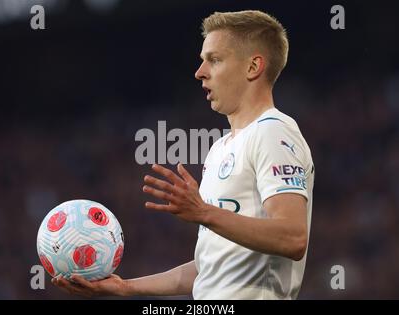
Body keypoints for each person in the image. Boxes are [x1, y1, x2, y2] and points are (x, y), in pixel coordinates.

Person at [53, 10, 315, 300]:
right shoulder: (220, 149)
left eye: (214, 60)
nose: (200, 71)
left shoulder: (273, 131)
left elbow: (293, 237)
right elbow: (209, 269)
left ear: (253, 67)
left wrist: (204, 212)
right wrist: (124, 287)